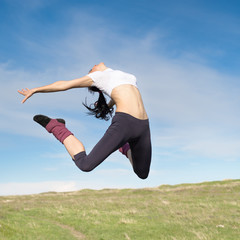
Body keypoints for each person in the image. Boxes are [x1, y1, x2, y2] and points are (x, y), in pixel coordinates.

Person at [18, 62, 152, 179]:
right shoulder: (98, 77)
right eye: (90, 70)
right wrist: (36, 90)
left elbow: (123, 94)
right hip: (125, 123)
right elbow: (64, 85)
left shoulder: (124, 75)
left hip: (143, 125)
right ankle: (57, 127)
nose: (92, 67)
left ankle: (124, 146)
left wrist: (107, 106)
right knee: (86, 165)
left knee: (142, 173)